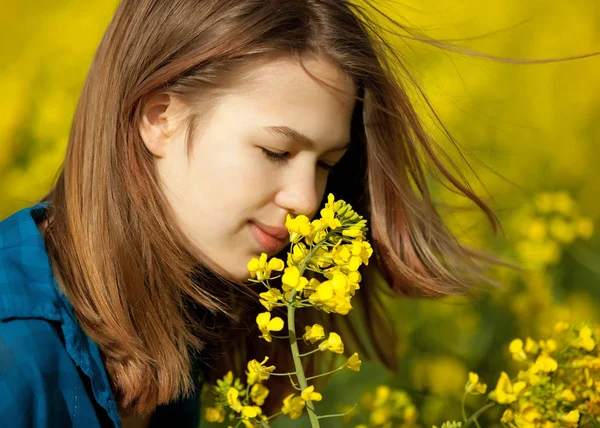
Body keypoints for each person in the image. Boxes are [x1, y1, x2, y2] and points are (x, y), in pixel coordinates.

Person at [6, 0, 589, 427]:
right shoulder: (17, 357)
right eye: (275, 152)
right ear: (160, 118)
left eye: (326, 163)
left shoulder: (174, 329)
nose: (308, 202)